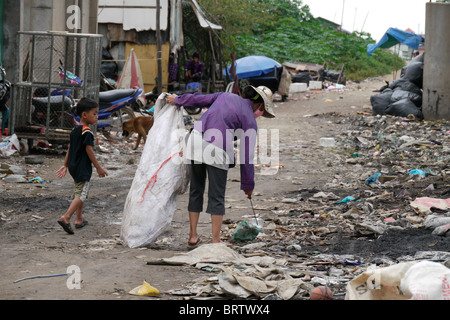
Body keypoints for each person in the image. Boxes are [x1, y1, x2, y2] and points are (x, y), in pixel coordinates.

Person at [167, 85, 275, 247]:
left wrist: (177, 100)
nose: (260, 115)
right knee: (216, 195)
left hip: (195, 140)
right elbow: (247, 157)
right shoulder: (250, 121)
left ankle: (193, 236)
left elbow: (198, 99)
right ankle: (215, 240)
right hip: (218, 148)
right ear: (261, 106)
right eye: (262, 111)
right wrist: (248, 185)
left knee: (196, 190)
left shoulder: (225, 96)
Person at [56, 97, 108, 234]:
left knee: (80, 192)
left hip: (73, 166)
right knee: (82, 194)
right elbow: (89, 149)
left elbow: (70, 148)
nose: (97, 116)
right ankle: (66, 217)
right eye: (95, 113)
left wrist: (65, 165)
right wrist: (98, 167)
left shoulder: (75, 129)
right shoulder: (87, 132)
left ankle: (79, 219)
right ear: (84, 115)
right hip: (82, 167)